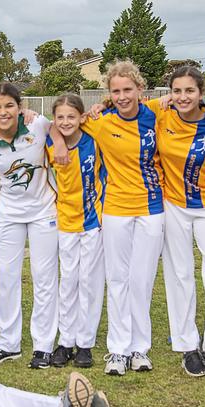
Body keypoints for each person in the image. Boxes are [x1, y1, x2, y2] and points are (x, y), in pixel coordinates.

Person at [76, 62, 165, 375]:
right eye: (116, 91)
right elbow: (62, 125)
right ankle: (117, 349)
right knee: (117, 278)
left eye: (128, 89)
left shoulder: (157, 113)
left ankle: (140, 348)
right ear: (109, 94)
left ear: (140, 89)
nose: (123, 96)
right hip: (114, 208)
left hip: (152, 208)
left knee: (141, 280)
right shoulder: (101, 121)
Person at [146, 66, 205, 379]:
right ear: (170, 93)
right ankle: (187, 345)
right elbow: (123, 102)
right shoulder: (161, 114)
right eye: (177, 91)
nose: (183, 97)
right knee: (179, 274)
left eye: (189, 91)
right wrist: (101, 105)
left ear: (201, 93)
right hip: (173, 205)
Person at [0, 82, 59, 369]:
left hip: (43, 210)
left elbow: (62, 129)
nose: (3, 112)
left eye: (9, 105)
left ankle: (43, 345)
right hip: (7, 213)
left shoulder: (38, 126)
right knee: (7, 278)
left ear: (20, 107)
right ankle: (7, 344)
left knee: (43, 277)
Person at [45, 94, 105, 369]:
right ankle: (65, 340)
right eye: (61, 118)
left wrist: (101, 106)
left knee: (89, 282)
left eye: (72, 116)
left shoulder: (93, 136)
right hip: (65, 221)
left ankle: (85, 343)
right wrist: (56, 137)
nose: (66, 122)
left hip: (94, 220)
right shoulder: (49, 141)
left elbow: (107, 109)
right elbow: (42, 124)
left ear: (81, 117)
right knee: (68, 281)